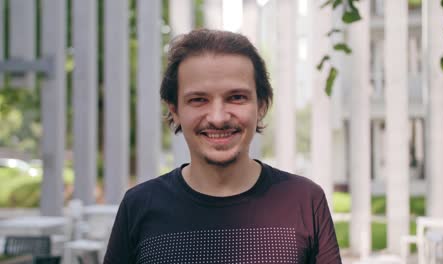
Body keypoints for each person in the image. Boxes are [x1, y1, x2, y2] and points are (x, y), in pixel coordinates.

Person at [104, 29, 341, 264]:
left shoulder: (304, 201)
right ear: (174, 111)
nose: (218, 118)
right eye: (198, 100)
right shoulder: (138, 206)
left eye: (236, 97)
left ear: (261, 106)